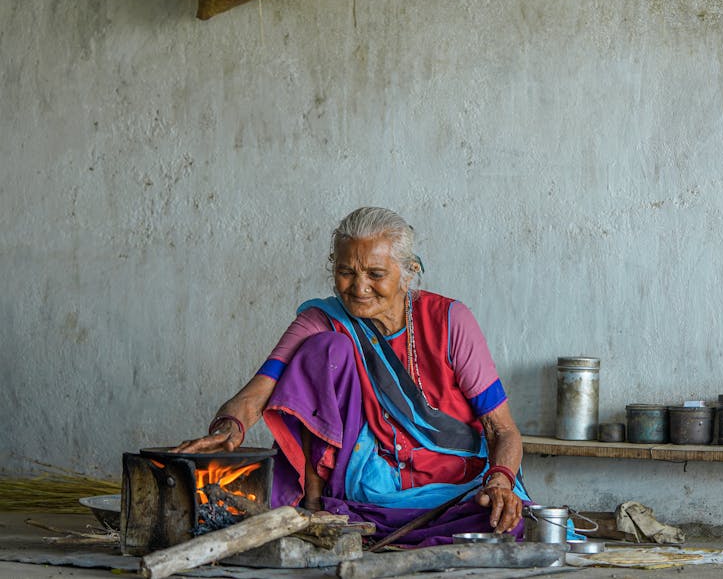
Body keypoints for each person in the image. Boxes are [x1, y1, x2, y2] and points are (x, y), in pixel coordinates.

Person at [173, 207, 527, 545]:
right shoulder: (323, 318)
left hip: (455, 484)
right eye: (346, 272)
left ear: (409, 272)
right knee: (324, 349)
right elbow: (260, 389)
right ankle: (325, 510)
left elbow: (503, 429)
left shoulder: (451, 322)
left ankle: (368, 527)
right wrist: (228, 429)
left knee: (500, 520)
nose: (359, 287)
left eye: (375, 274)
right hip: (365, 484)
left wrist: (500, 482)